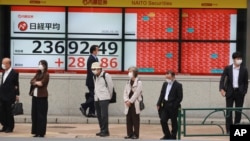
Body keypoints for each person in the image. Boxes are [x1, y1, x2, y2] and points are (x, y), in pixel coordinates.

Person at [219, 51, 248, 134]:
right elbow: (222, 79)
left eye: (240, 58)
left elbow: (246, 82)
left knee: (238, 112)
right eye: (238, 58)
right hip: (230, 92)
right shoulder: (228, 68)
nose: (239, 60)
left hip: (240, 93)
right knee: (229, 112)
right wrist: (221, 89)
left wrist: (244, 91)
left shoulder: (244, 69)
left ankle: (236, 130)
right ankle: (229, 130)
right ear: (234, 60)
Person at [157, 70, 183, 140]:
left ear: (173, 77)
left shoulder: (178, 85)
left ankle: (173, 135)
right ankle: (167, 134)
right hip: (165, 105)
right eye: (166, 78)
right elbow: (162, 94)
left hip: (173, 106)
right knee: (163, 120)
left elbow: (180, 97)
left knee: (174, 121)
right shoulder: (165, 84)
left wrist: (174, 105)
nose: (167, 79)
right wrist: (158, 103)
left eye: (169, 78)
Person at [92, 62, 113, 137]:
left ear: (99, 69)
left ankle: (105, 131)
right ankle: (102, 129)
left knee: (104, 115)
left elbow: (110, 87)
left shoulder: (106, 75)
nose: (93, 70)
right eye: (93, 69)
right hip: (97, 98)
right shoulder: (94, 77)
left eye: (95, 69)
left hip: (104, 98)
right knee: (99, 115)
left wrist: (109, 97)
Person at [29, 60, 50, 137]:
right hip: (35, 96)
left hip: (42, 96)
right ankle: (36, 131)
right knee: (34, 114)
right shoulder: (38, 73)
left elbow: (41, 83)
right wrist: (36, 82)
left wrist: (36, 82)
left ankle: (41, 132)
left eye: (41, 64)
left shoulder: (46, 74)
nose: (39, 65)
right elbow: (31, 81)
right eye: (39, 64)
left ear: (44, 65)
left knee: (41, 115)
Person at [0, 57, 20, 133]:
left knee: (9, 112)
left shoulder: (14, 73)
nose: (2, 65)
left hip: (10, 95)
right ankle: (4, 125)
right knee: (2, 111)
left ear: (8, 64)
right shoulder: (3, 72)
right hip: (2, 94)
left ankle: (10, 127)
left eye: (4, 63)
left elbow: (16, 84)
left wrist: (17, 94)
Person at [123, 66, 143, 139]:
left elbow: (137, 93)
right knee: (129, 119)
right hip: (128, 103)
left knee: (135, 119)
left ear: (135, 73)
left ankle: (136, 134)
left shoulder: (139, 82)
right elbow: (125, 92)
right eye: (129, 71)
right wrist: (126, 100)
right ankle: (129, 133)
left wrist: (130, 101)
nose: (129, 73)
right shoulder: (128, 82)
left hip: (135, 103)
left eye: (131, 71)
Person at [80, 45, 99, 118]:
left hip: (94, 80)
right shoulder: (91, 59)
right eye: (97, 50)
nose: (98, 51)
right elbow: (92, 71)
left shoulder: (95, 58)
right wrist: (95, 79)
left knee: (94, 95)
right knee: (94, 96)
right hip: (91, 81)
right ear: (93, 51)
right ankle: (83, 106)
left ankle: (91, 112)